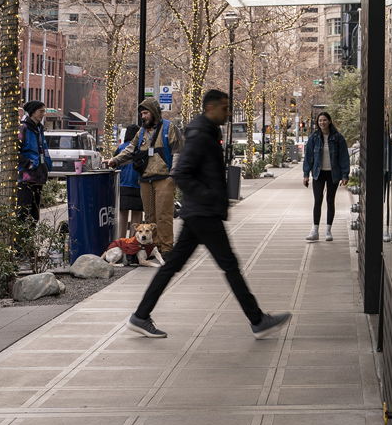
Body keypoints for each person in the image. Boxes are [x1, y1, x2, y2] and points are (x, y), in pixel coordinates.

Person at [126, 89, 291, 340]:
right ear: (211, 108)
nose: (227, 112)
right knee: (229, 266)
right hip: (204, 214)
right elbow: (182, 172)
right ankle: (257, 320)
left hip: (200, 214)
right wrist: (209, 197)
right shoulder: (201, 134)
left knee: (172, 266)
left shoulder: (207, 131)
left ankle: (140, 315)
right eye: (224, 108)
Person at [107, 98, 182, 253]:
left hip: (164, 178)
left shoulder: (169, 128)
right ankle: (152, 248)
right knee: (149, 218)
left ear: (154, 112)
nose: (143, 116)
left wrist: (173, 175)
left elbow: (178, 152)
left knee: (164, 216)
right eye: (142, 113)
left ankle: (166, 248)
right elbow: (130, 149)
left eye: (146, 113)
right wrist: (115, 160)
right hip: (145, 180)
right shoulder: (141, 132)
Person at [302, 111, 350, 242]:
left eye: (324, 120)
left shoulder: (338, 137)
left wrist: (345, 175)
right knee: (317, 200)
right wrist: (306, 174)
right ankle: (315, 230)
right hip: (319, 173)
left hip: (333, 174)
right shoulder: (314, 137)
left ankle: (328, 230)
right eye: (319, 121)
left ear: (329, 121)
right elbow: (308, 157)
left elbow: (344, 157)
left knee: (330, 200)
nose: (322, 122)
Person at [17, 100, 52, 225]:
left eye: (44, 111)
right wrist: (28, 163)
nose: (43, 114)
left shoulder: (39, 128)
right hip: (26, 176)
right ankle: (22, 240)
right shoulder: (24, 128)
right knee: (24, 211)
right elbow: (15, 151)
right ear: (32, 112)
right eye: (41, 111)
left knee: (34, 213)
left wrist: (46, 166)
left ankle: (30, 239)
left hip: (38, 175)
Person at [115, 124, 143, 236]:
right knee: (137, 214)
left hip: (123, 184)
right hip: (138, 185)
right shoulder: (141, 147)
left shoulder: (121, 148)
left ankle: (121, 240)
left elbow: (115, 165)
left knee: (123, 214)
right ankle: (133, 241)